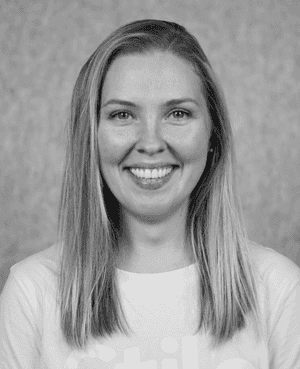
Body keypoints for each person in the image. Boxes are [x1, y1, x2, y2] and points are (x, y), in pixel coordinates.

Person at [1, 19, 300, 369]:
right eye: (123, 114)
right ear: (90, 136)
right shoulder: (32, 293)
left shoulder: (278, 290)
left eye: (177, 113)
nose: (151, 143)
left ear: (213, 136)